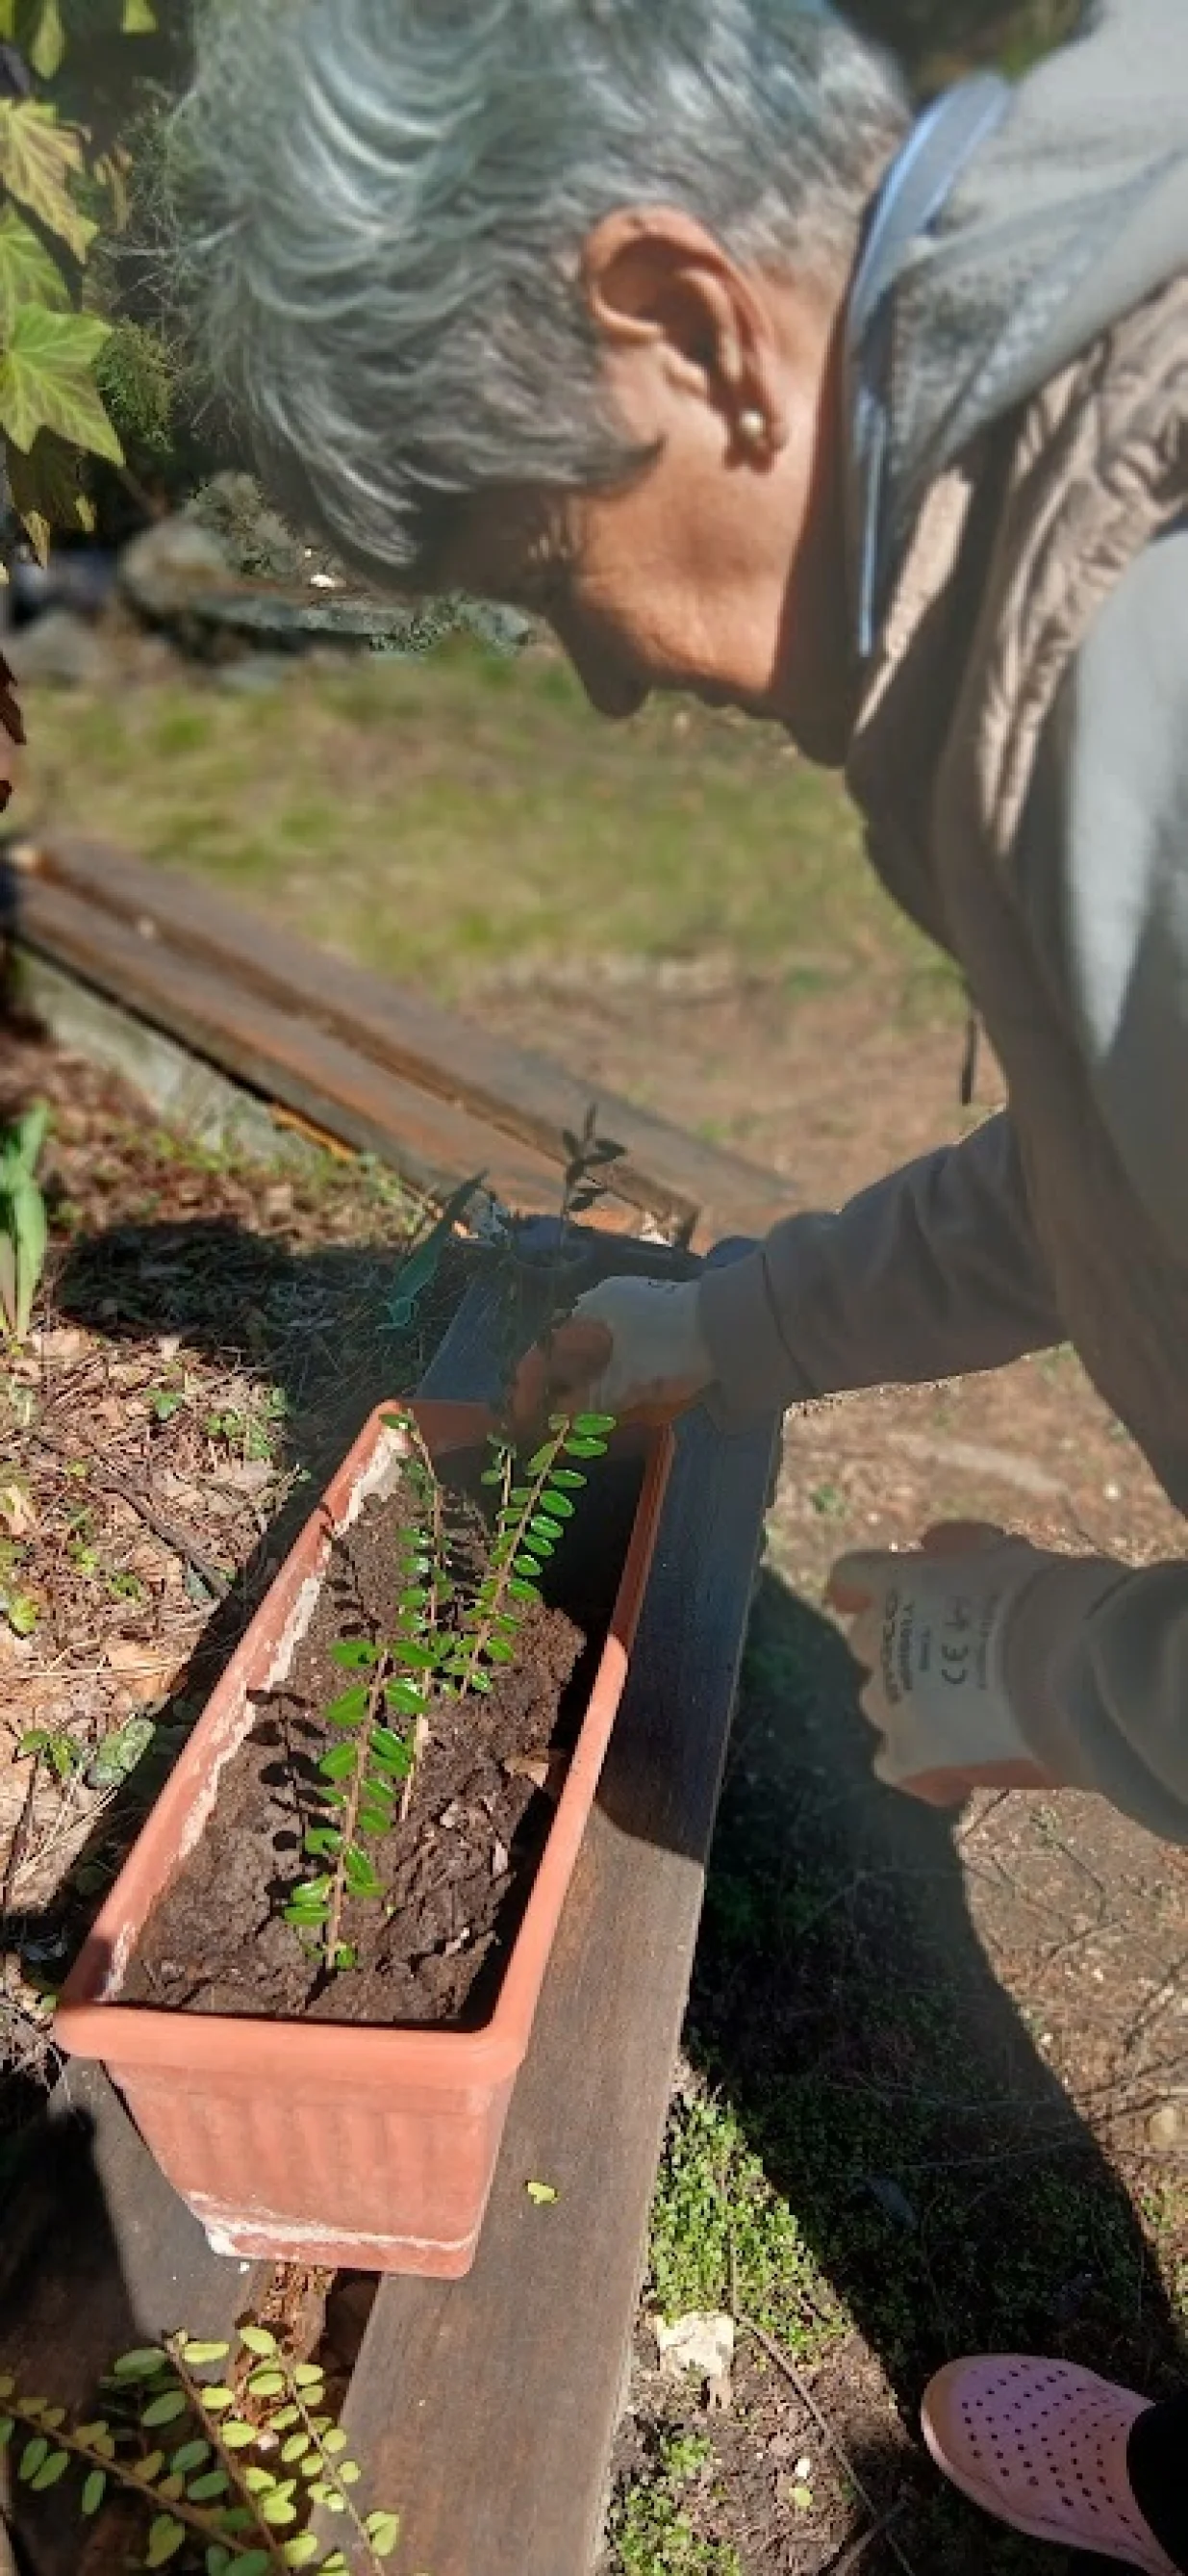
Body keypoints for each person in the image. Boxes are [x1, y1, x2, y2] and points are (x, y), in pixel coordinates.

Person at [169, 2, 1188, 2561]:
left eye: (547, 572)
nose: (607, 675)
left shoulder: (1138, 697)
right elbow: (1105, 1163)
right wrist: (722, 1328)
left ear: (685, 319)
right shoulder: (1057, 440)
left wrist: (1045, 1658)